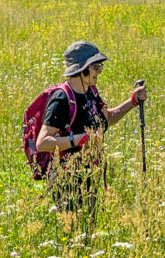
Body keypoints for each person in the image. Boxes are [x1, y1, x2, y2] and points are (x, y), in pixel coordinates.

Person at [36, 41, 147, 214]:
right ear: (82, 68)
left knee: (89, 228)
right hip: (67, 180)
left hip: (89, 174)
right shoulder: (61, 99)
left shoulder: (91, 92)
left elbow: (107, 118)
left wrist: (132, 102)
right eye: (96, 67)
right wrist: (79, 140)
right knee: (73, 233)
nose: (99, 71)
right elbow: (42, 143)